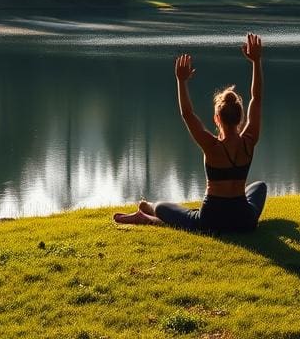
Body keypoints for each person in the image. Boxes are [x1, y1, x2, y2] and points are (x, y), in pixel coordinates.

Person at [113, 33, 266, 232]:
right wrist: (256, 61)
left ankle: (148, 214)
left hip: (211, 219)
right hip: (243, 221)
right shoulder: (249, 141)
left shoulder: (211, 146)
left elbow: (187, 113)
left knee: (161, 207)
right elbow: (257, 97)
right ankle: (155, 216)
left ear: (216, 119)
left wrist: (181, 81)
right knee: (260, 187)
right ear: (240, 117)